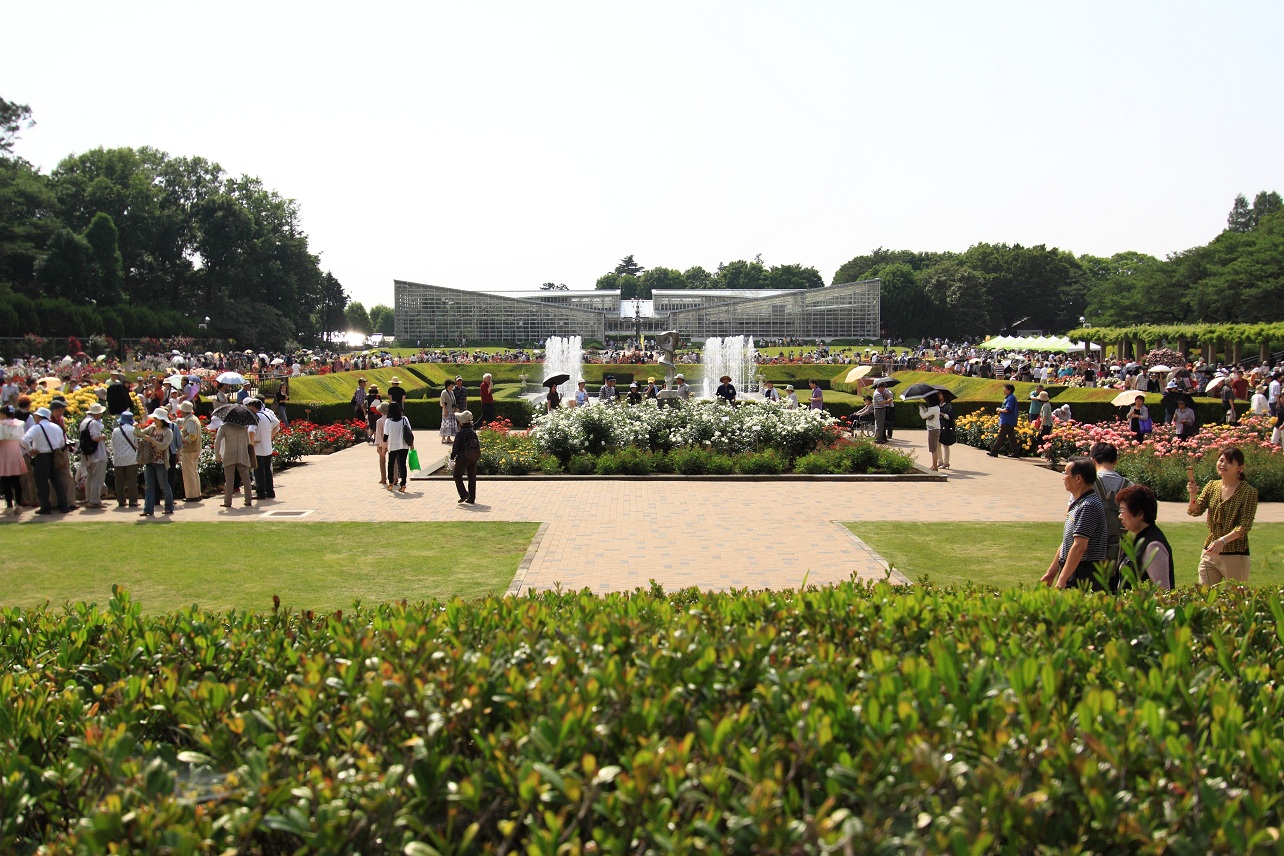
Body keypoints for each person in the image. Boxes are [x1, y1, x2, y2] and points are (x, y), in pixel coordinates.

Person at [1187, 446, 1258, 585]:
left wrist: (1223, 541)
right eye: (1221, 460)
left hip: (1235, 555)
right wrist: (1193, 494)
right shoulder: (1212, 485)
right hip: (1210, 552)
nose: (1223, 464)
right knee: (1204, 594)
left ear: (1240, 467)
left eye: (1229, 462)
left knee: (1235, 597)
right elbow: (1195, 511)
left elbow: (1244, 525)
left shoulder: (1249, 492)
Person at [1040, 457, 1110, 590]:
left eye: (1066, 473)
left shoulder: (1088, 506)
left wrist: (1062, 579)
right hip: (1073, 570)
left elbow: (1079, 546)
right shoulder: (1078, 503)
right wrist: (1051, 572)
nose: (1063, 477)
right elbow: (1068, 542)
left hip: (1083, 574)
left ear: (1078, 479)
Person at [1114, 484, 1174, 590]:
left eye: (1123, 511)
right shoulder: (1137, 537)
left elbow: (1162, 592)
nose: (1120, 516)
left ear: (1140, 514)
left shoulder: (1153, 546)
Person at [21, 407, 72, 515]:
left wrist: (30, 450)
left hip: (41, 456)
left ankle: (45, 507)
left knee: (42, 483)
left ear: (39, 417)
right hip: (54, 455)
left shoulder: (36, 428)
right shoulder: (56, 427)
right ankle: (64, 506)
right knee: (57, 482)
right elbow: (62, 442)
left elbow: (24, 440)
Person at [1090, 442, 1133, 564]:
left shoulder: (1087, 484)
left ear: (1093, 461)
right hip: (1120, 549)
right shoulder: (1129, 485)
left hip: (1092, 547)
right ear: (1115, 462)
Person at [139, 408, 176, 517]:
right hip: (150, 460)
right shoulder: (152, 428)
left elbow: (163, 446)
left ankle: (169, 507)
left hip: (161, 462)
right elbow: (139, 434)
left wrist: (151, 440)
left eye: (156, 418)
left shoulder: (168, 432)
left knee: (164, 485)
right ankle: (148, 509)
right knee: (149, 486)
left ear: (162, 420)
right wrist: (136, 429)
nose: (154, 420)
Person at [213, 412, 252, 509]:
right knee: (246, 479)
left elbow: (217, 442)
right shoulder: (243, 428)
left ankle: (228, 501)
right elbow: (248, 442)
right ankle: (248, 500)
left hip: (229, 455)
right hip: (242, 455)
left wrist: (218, 455)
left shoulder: (224, 427)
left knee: (229, 480)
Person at [247, 398, 279, 500]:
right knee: (267, 471)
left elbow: (251, 431)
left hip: (258, 449)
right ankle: (270, 491)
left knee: (259, 471)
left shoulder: (254, 417)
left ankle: (260, 492)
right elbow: (277, 423)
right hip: (267, 447)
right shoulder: (267, 415)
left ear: (252, 407)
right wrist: (270, 436)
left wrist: (251, 443)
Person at [0, 404, 28, 516]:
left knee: (5, 481)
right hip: (15, 452)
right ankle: (18, 505)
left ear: (3, 414)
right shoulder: (19, 424)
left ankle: (9, 505)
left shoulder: (1, 425)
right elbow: (23, 440)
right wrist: (29, 450)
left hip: (4, 453)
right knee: (16, 481)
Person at [110, 411, 140, 508]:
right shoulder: (134, 430)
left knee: (119, 481)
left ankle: (121, 500)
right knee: (132, 480)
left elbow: (112, 444)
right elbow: (137, 444)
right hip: (131, 458)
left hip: (118, 459)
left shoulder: (116, 431)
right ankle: (133, 501)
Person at [450, 409, 480, 505]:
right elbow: (477, 445)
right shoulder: (473, 432)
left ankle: (464, 494)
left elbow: (456, 447)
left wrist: (452, 458)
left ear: (461, 422)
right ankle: (472, 498)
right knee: (472, 477)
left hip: (462, 458)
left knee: (457, 475)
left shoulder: (460, 433)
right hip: (473, 457)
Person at [383, 400, 413, 493]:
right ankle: (403, 484)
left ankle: (391, 483)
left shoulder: (388, 421)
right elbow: (409, 433)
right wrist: (412, 445)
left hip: (393, 445)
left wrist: (384, 448)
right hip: (404, 445)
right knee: (402, 464)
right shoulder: (404, 419)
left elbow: (385, 436)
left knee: (391, 464)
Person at [176, 401, 203, 503]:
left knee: (189, 473)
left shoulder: (190, 421)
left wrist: (180, 439)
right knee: (194, 472)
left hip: (189, 450)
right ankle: (197, 493)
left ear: (183, 411)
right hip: (194, 449)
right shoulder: (193, 419)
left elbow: (191, 437)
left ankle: (192, 495)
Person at [989, 383, 1020, 458]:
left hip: (1007, 420)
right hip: (1008, 420)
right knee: (1011, 437)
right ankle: (1015, 452)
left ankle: (994, 451)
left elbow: (1007, 409)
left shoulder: (1011, 398)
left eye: (1005, 389)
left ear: (1009, 390)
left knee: (1001, 436)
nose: (1004, 391)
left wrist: (999, 409)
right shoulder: (1009, 397)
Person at [919, 394, 941, 471]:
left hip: (933, 430)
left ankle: (935, 466)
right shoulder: (935, 408)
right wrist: (924, 407)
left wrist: (920, 408)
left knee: (933, 449)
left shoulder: (934, 409)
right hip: (934, 429)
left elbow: (923, 416)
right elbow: (928, 415)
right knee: (933, 448)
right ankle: (934, 465)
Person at [937, 397, 955, 469]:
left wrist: (942, 414)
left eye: (940, 394)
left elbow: (949, 417)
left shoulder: (948, 405)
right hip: (938, 426)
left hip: (946, 427)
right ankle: (940, 461)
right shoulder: (938, 405)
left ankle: (946, 462)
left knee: (945, 445)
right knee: (937, 444)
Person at [374, 402, 389, 486]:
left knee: (382, 461)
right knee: (393, 461)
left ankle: (383, 478)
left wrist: (378, 445)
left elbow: (378, 434)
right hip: (391, 442)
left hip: (382, 443)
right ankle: (395, 478)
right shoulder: (392, 420)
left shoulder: (379, 421)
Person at [440, 378, 459, 443]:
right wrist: (445, 410)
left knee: (451, 425)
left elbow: (453, 401)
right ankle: (443, 437)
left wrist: (455, 408)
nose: (452, 386)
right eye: (451, 385)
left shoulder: (451, 392)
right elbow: (443, 402)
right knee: (446, 424)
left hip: (452, 410)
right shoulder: (444, 392)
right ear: (448, 385)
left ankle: (448, 437)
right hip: (447, 410)